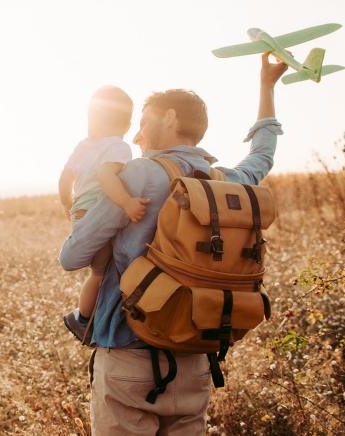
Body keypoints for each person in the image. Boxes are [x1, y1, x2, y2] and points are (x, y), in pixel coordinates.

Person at [59, 53, 288, 435]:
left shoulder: (139, 174)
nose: (137, 136)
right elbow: (263, 154)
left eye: (144, 123)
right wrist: (266, 87)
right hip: (195, 364)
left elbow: (72, 256)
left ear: (169, 119)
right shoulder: (225, 182)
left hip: (129, 360)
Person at [59, 85, 150, 343]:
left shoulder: (84, 146)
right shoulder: (119, 147)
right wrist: (127, 202)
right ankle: (83, 319)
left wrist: (68, 205)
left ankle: (90, 315)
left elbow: (65, 177)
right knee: (100, 272)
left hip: (80, 210)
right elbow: (105, 175)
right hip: (96, 209)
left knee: (99, 269)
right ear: (128, 123)